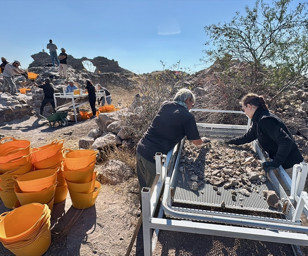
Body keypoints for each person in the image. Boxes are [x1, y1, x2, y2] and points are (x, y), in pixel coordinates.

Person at [136, 88, 205, 191]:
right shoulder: (187, 116)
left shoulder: (166, 105)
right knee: (153, 193)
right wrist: (203, 141)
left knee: (143, 189)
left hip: (140, 149)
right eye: (192, 104)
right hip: (153, 158)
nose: (191, 107)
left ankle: (142, 206)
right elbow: (196, 142)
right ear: (188, 100)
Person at [226, 93, 304, 177]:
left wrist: (275, 163)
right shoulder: (258, 119)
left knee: (286, 189)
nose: (244, 113)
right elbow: (249, 136)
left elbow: (286, 141)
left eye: (243, 109)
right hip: (283, 164)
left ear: (249, 106)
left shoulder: (265, 120)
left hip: (292, 166)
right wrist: (229, 142)